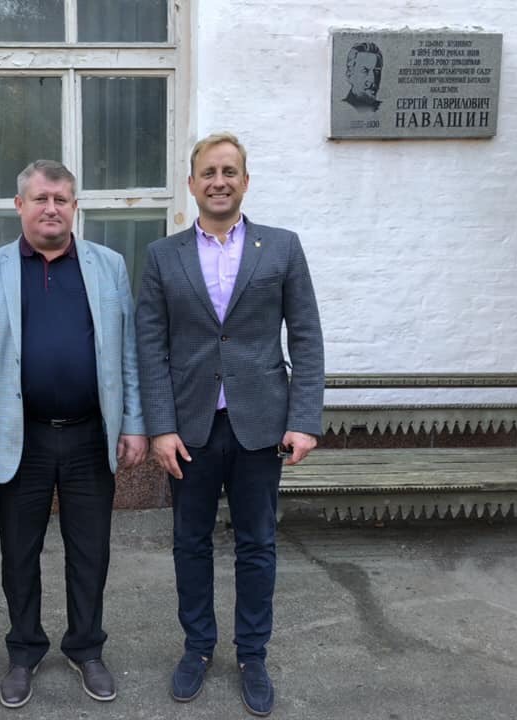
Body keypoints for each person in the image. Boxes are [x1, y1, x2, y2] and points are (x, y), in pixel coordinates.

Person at [135, 133, 324, 717]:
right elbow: (150, 346)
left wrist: (304, 420)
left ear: (245, 180)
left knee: (257, 544)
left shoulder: (282, 248)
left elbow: (306, 336)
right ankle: (197, 647)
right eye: (208, 172)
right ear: (191, 184)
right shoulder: (162, 256)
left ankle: (252, 654)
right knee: (190, 543)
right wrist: (160, 426)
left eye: (229, 171)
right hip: (190, 428)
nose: (219, 181)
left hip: (260, 425)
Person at [0, 159, 148, 709]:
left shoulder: (108, 266)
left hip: (90, 437)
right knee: (19, 553)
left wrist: (134, 424)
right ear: (19, 205)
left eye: (61, 199)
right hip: (21, 439)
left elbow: (127, 353)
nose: (51, 209)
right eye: (40, 199)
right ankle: (24, 652)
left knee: (91, 551)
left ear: (74, 207)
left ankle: (86, 647)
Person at [343, 41, 383, 111]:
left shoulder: (383, 107)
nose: (373, 79)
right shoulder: (342, 108)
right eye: (365, 71)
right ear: (349, 75)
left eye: (377, 72)